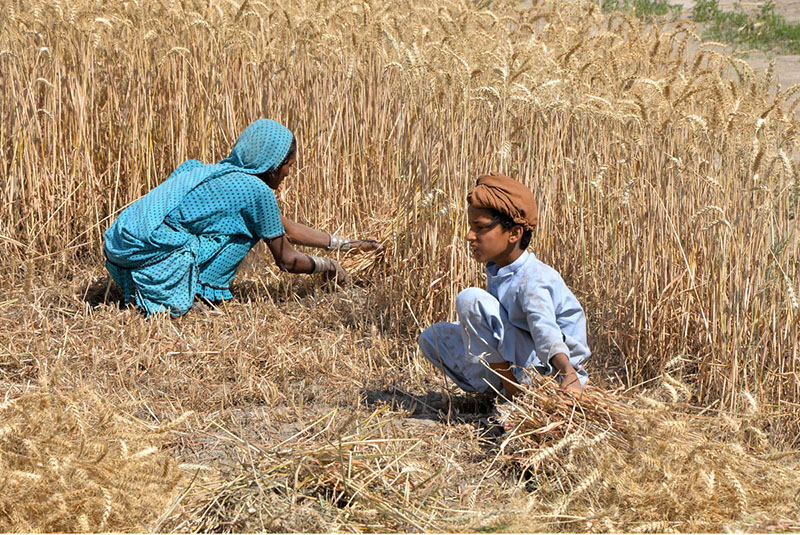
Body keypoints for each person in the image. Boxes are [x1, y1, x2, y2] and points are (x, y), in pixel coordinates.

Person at [103, 118, 381, 316]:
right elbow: (287, 260)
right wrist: (328, 265)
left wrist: (346, 244)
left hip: (121, 245)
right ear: (274, 167)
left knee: (252, 225)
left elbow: (280, 226)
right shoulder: (256, 191)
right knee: (245, 233)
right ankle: (188, 295)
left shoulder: (216, 173)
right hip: (149, 251)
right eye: (289, 165)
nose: (289, 173)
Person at [418, 172, 589, 396]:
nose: (469, 236)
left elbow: (545, 331)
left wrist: (568, 374)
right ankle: (499, 392)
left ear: (514, 233)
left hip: (551, 372)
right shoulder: (500, 270)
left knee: (470, 299)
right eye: (470, 227)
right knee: (434, 338)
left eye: (480, 227)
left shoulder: (533, 279)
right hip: (523, 360)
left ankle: (516, 397)